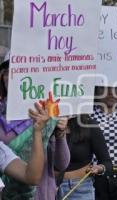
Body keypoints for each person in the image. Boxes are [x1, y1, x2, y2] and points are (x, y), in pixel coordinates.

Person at [0, 57, 70, 200]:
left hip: (42, 194)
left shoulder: (48, 114)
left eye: (19, 71)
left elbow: (61, 164)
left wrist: (60, 133)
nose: (13, 76)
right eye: (8, 71)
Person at [57, 115, 112, 200]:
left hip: (79, 188)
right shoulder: (46, 125)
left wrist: (100, 168)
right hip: (48, 188)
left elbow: (106, 162)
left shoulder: (89, 124)